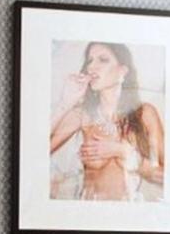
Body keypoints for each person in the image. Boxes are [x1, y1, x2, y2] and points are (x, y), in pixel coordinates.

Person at [49, 42, 164, 201]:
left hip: (131, 212)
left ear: (123, 71)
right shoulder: (83, 115)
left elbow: (168, 178)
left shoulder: (145, 114)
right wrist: (65, 103)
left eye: (102, 60)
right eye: (89, 61)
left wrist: (123, 152)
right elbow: (34, 152)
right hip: (89, 211)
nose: (91, 67)